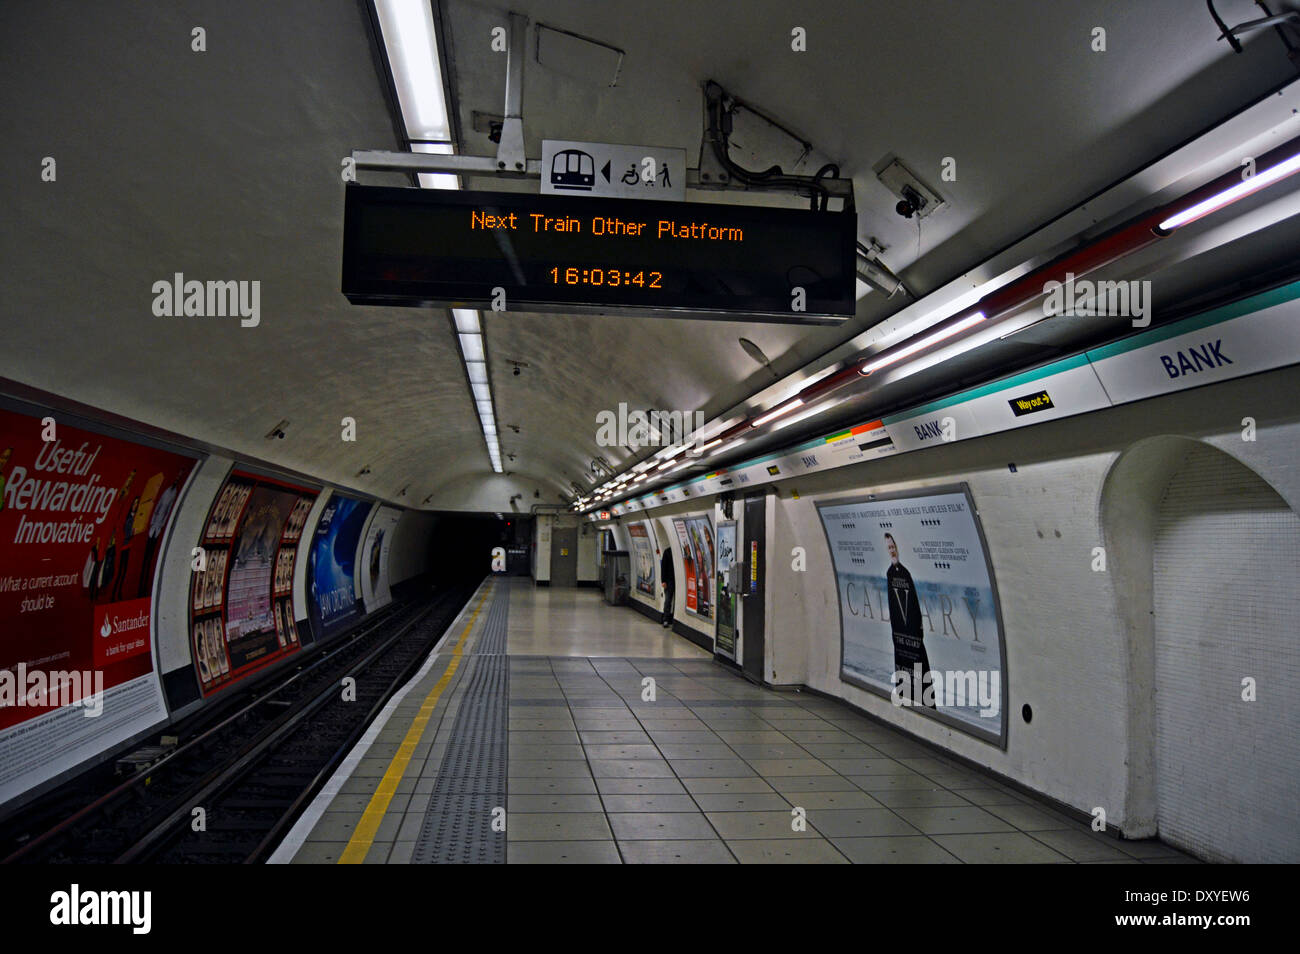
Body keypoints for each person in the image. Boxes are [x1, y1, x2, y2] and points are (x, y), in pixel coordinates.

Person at [885, 532, 935, 708]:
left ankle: (927, 704)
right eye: (889, 548)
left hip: (913, 639)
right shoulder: (890, 574)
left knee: (921, 674)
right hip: (901, 640)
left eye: (893, 547)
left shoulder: (905, 573)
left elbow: (914, 606)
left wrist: (917, 633)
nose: (892, 551)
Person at [660, 545, 675, 629]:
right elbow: (663, 567)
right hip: (669, 580)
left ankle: (671, 618)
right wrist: (663, 581)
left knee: (671, 600)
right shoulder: (667, 552)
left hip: (676, 580)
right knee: (668, 600)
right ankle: (665, 619)